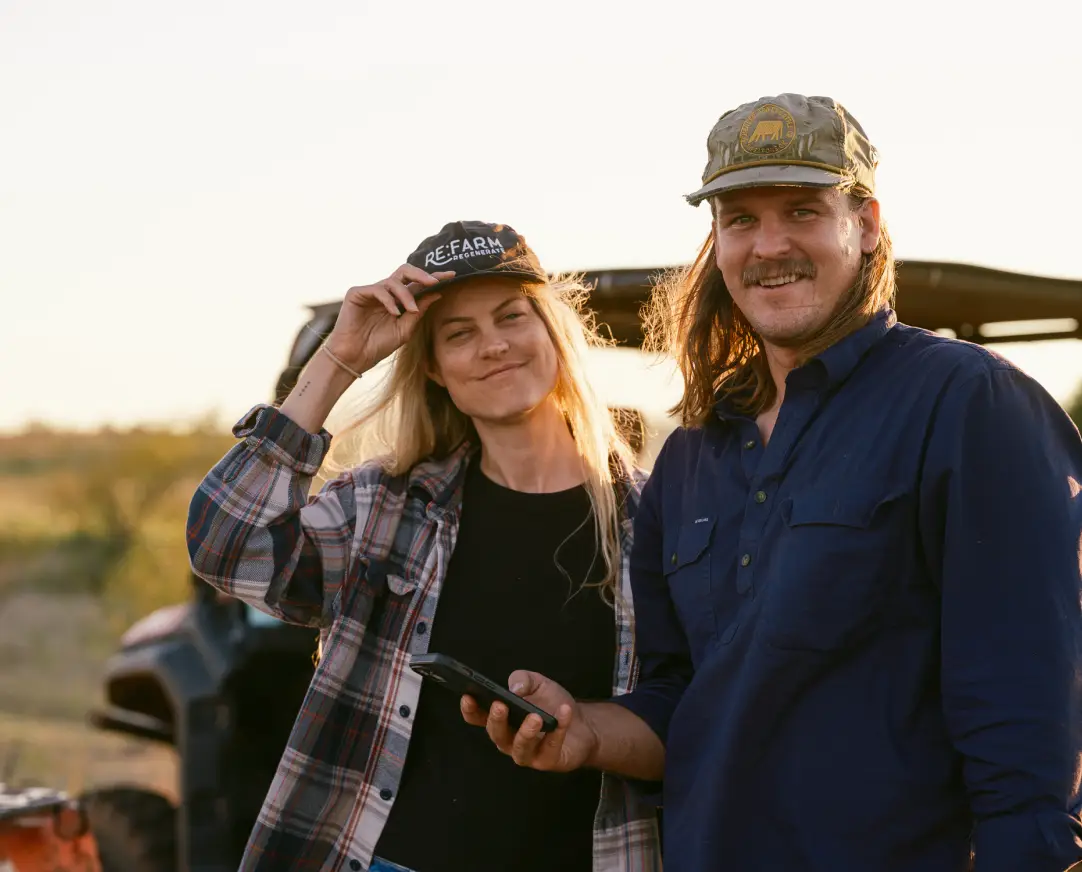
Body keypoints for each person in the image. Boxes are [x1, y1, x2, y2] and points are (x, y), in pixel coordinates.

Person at [464, 95, 1082, 871]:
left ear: (866, 223)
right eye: (740, 219)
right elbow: (679, 698)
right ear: (716, 242)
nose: (770, 245)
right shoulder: (690, 455)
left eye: (802, 210)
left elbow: (1028, 707)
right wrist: (586, 731)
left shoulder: (968, 404)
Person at [186, 220, 661, 872]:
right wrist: (339, 359)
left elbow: (696, 717)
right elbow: (226, 545)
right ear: (434, 368)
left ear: (553, 331)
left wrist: (587, 727)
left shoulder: (654, 519)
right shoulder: (386, 506)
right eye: (459, 334)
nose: (493, 346)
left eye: (511, 318)